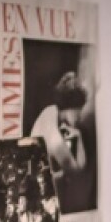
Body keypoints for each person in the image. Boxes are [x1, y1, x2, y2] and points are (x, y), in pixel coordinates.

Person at [30, 71, 96, 213]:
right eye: (78, 112)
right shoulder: (56, 140)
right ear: (70, 108)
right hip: (44, 192)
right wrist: (78, 137)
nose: (79, 118)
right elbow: (78, 170)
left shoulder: (50, 111)